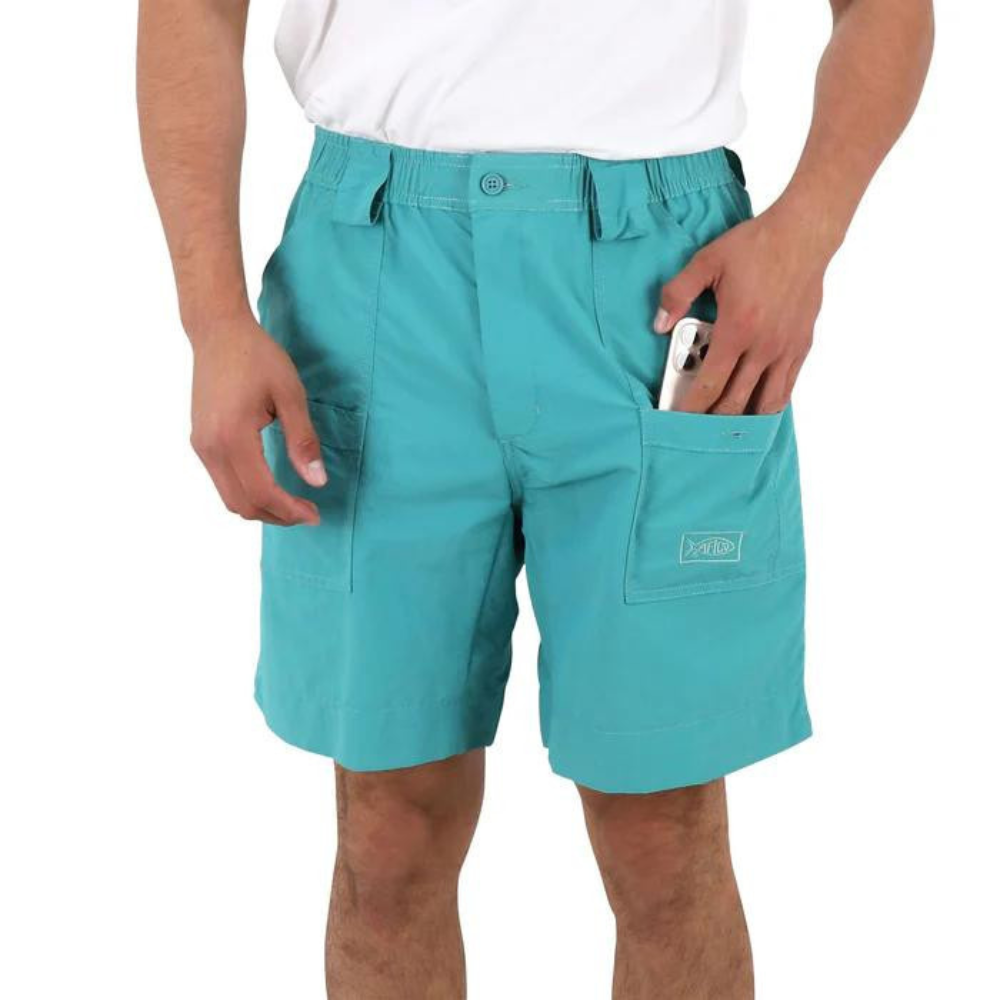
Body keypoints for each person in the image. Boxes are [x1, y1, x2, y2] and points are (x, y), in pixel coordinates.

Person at [138, 1, 933, 996]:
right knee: (389, 828)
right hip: (375, 273)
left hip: (660, 283)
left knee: (660, 829)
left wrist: (807, 232)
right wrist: (211, 316)